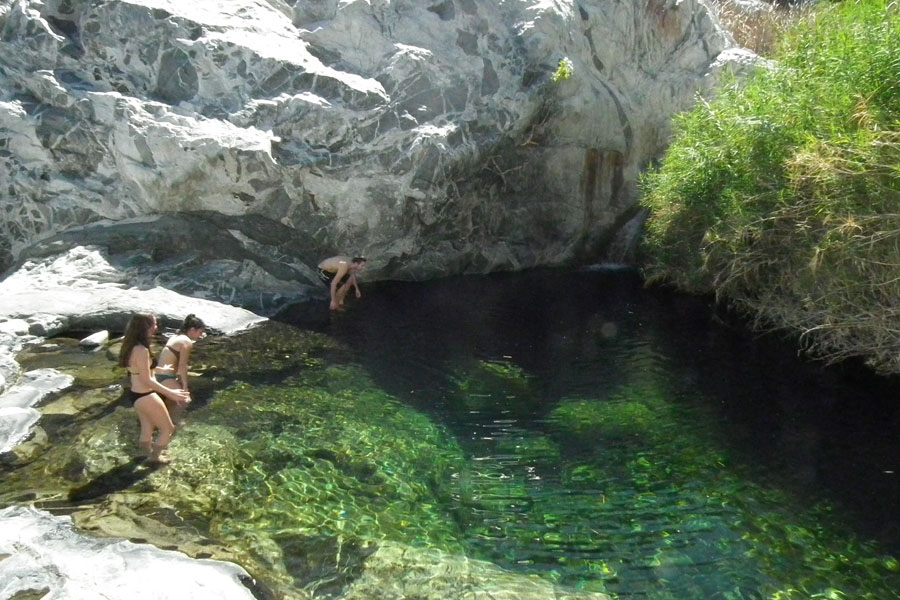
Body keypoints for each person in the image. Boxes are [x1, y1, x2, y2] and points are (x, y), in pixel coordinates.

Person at [117, 313, 190, 464]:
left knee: (147, 428)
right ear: (146, 327)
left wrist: (162, 369)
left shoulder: (130, 345)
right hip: (146, 395)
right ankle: (155, 458)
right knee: (168, 429)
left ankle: (146, 455)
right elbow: (147, 380)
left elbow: (140, 372)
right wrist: (172, 393)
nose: (156, 327)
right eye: (154, 324)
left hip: (136, 395)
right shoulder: (142, 350)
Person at [154, 314, 206, 406]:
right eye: (200, 332)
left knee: (171, 402)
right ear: (192, 330)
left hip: (158, 374)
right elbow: (183, 365)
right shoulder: (186, 342)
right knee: (185, 400)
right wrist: (185, 387)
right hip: (165, 378)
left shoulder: (175, 337)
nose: (201, 335)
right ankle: (174, 420)